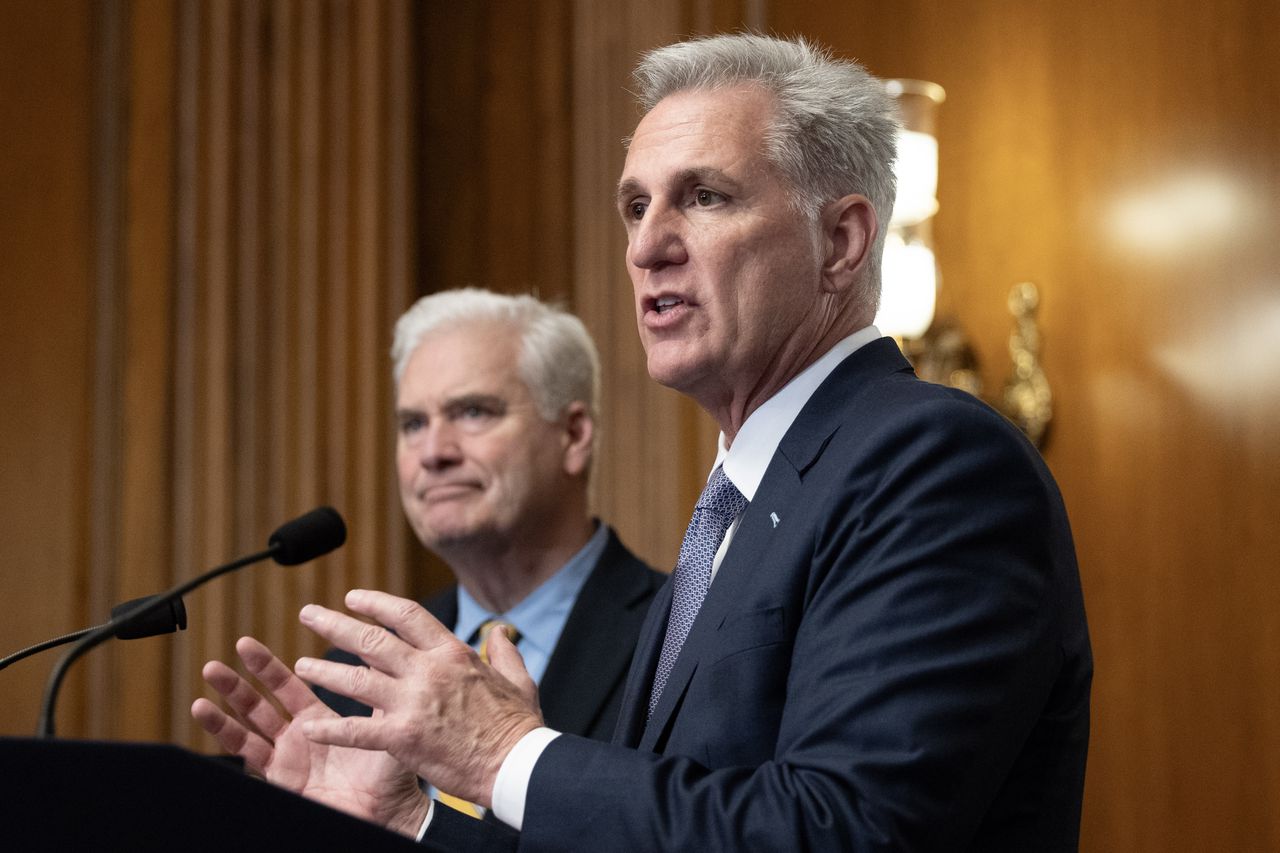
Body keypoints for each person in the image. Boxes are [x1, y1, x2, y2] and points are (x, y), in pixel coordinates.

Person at [198, 34, 1093, 852]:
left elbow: (841, 830)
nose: (649, 246)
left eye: (704, 196)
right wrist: (413, 818)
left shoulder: (935, 465)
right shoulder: (729, 512)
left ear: (842, 241)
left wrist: (508, 751)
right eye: (635, 206)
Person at [192, 289, 663, 824]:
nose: (433, 452)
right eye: (413, 423)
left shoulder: (677, 636)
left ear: (574, 435)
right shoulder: (352, 679)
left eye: (472, 412)